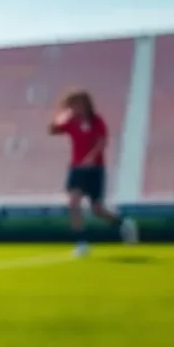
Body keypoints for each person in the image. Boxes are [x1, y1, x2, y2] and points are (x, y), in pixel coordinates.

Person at [49, 90, 137, 257]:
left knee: (97, 209)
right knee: (73, 203)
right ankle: (81, 243)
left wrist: (91, 158)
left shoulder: (96, 121)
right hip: (77, 168)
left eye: (75, 104)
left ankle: (123, 223)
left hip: (95, 169)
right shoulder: (70, 121)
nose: (73, 108)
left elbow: (102, 142)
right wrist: (60, 117)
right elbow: (52, 130)